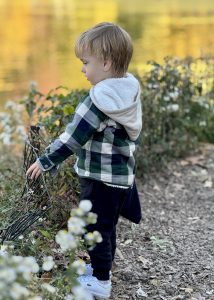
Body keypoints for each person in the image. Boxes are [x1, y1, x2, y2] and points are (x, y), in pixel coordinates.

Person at [26, 22, 142, 299]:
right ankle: (103, 271)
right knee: (107, 226)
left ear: (105, 62)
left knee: (96, 227)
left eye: (85, 62)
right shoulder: (127, 91)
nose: (82, 69)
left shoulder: (98, 100)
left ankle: (100, 283)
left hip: (100, 177)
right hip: (121, 176)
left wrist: (45, 161)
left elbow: (72, 138)